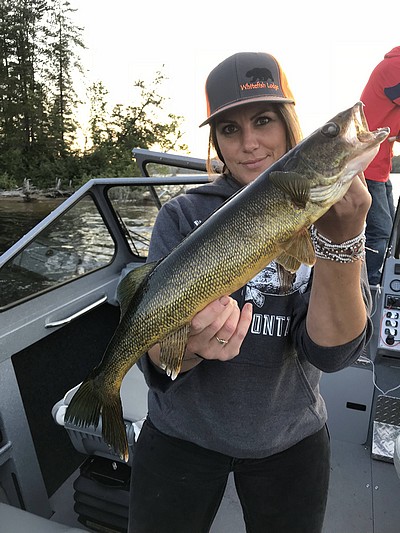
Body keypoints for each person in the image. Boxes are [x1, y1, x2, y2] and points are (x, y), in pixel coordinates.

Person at [128, 52, 372, 533]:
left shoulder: (331, 212)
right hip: (181, 434)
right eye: (229, 130)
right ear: (216, 141)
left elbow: (332, 353)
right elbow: (157, 358)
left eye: (263, 120)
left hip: (289, 439)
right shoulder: (180, 216)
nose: (250, 143)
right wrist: (185, 352)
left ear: (288, 125)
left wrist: (343, 242)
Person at [360, 46, 400, 286]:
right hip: (368, 164)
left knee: (394, 230)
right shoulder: (394, 68)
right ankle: (369, 284)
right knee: (381, 230)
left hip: (381, 164)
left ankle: (384, 279)